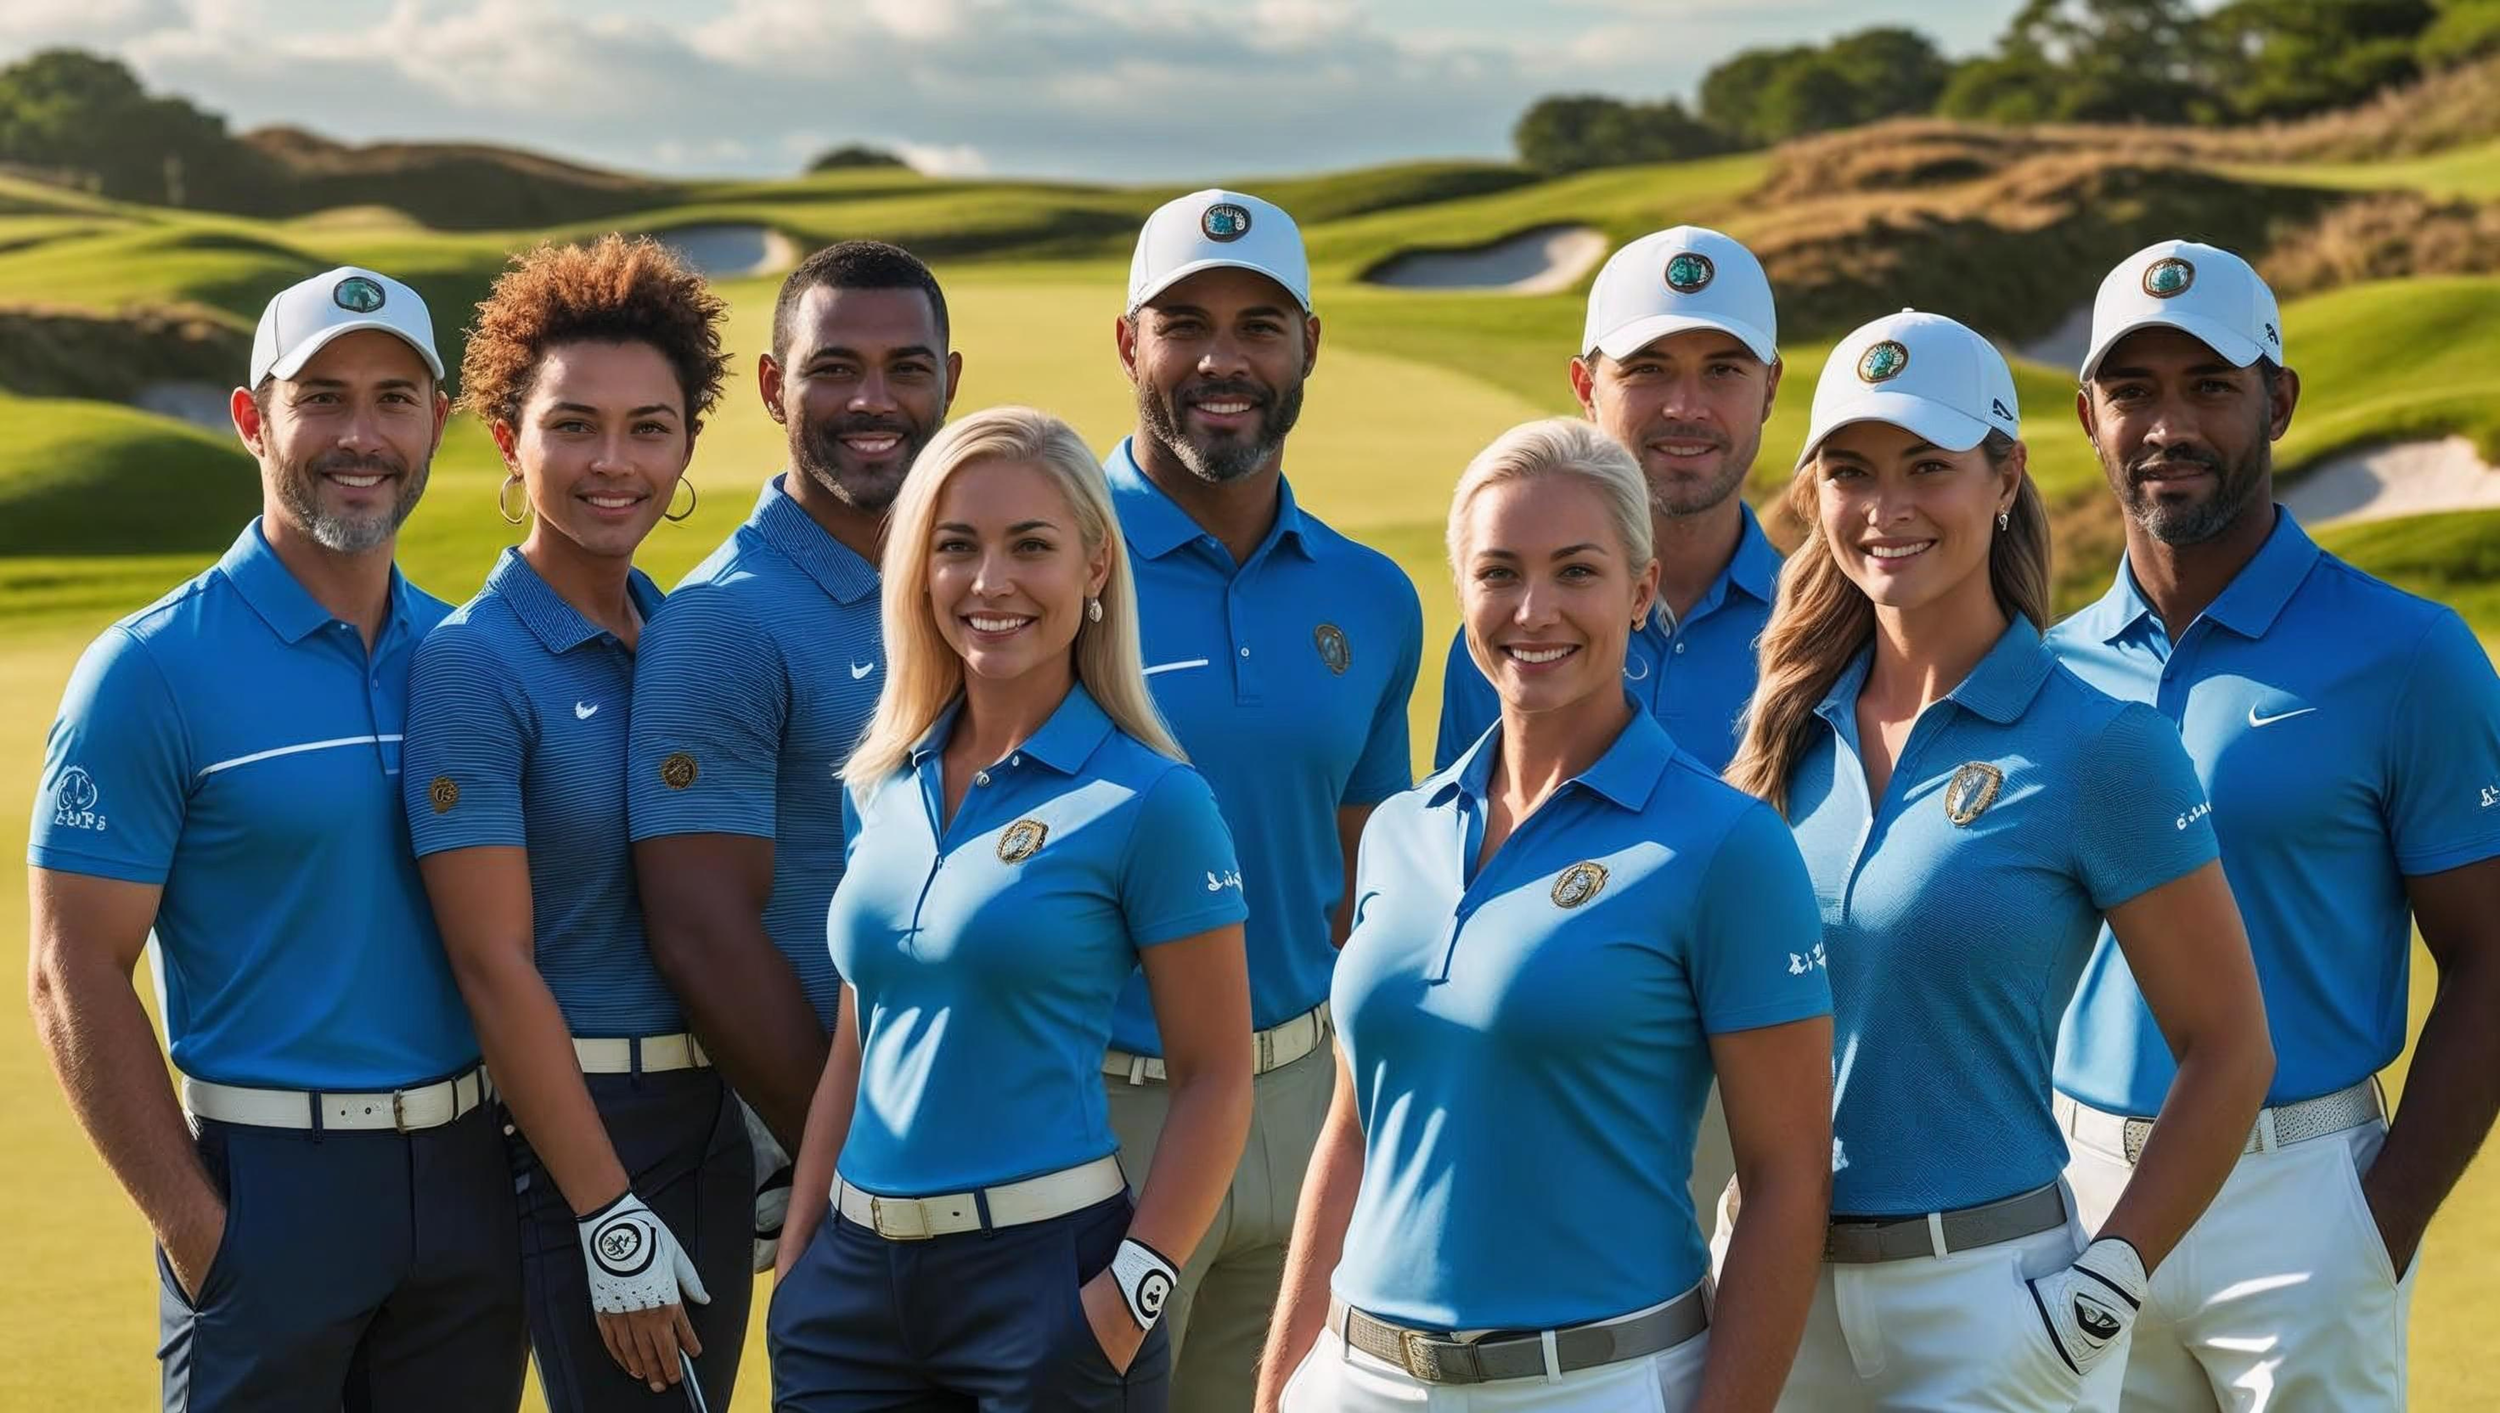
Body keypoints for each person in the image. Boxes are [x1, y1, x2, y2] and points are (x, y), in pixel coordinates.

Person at [1722, 310, 2274, 1411]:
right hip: (1774, 1295)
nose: (1885, 508)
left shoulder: (2099, 744)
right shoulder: (1782, 736)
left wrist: (2103, 1291)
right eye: (1851, 471)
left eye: (1928, 466)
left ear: (2005, 476)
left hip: (1988, 1305)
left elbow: (2229, 1050)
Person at [1259, 418, 1835, 1413]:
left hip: (1595, 1382)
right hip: (1357, 1379)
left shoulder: (1727, 845)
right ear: (1462, 591)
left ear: (1640, 591)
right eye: (1499, 573)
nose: (1534, 610)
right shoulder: (1398, 829)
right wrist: (1280, 1385)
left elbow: (1787, 1180)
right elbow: (1354, 1130)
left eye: (1576, 571)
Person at [27, 267, 525, 1411]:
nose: (362, 437)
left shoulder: (465, 658)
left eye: (395, 399)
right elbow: (70, 970)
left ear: (437, 422)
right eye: (322, 398)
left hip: (468, 1184)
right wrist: (200, 1233)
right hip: (267, 1191)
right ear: (252, 418)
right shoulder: (148, 670)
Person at [2049, 240, 2500, 1409]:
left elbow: (2490, 954)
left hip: (2300, 1195)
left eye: (2209, 386)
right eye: (2133, 391)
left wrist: (2379, 1224)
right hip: (2078, 1201)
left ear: (2278, 402)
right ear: (2088, 416)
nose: (2167, 425)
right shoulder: (2043, 672)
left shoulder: (2408, 654)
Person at [766, 406, 1255, 1411]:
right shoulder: (880, 781)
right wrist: (805, 1252)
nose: (990, 582)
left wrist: (1127, 1299)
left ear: (1094, 566)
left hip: (1046, 1291)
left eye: (1030, 546)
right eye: (957, 547)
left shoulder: (1155, 800)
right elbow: (861, 1037)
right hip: (849, 1296)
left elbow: (1216, 1076)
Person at [401, 235, 749, 1410]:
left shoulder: (684, 636)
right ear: (511, 440)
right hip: (584, 1136)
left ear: (688, 444)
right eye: (573, 426)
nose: (614, 462)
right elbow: (489, 963)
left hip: (709, 1122)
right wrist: (606, 1212)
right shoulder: (473, 663)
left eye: (649, 427)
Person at [1101, 188, 1426, 1413]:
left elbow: (1361, 882)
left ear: (1308, 348)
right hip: (1102, 1107)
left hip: (1302, 1101)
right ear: (1128, 344)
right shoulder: (1044, 558)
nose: (1221, 360)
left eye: (1258, 326)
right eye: (1184, 324)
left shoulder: (1371, 594)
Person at [1437, 223, 1788, 1239]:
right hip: (1550, 1102)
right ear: (1585, 386)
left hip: (1769, 1099)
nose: (1686, 406)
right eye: (1649, 370)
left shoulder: (1831, 626)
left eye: (1722, 370)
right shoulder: (1507, 634)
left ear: (1769, 388)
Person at [628, 240, 960, 1270]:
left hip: (993, 1144)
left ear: (951, 382)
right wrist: (858, 1164)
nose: (874, 400)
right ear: (774, 387)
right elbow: (701, 931)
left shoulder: (974, 586)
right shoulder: (723, 621)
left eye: (906, 368)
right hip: (869, 1168)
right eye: (834, 368)